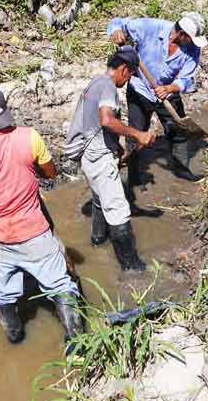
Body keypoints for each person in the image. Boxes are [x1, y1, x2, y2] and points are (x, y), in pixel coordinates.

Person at [0, 83, 82, 347]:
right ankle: (78, 344)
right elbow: (50, 172)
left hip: (0, 238)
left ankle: (14, 338)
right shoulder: (30, 137)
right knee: (60, 284)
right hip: (35, 232)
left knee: (4, 294)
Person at [64, 47, 155, 270]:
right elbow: (106, 120)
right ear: (124, 69)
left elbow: (96, 125)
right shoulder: (107, 86)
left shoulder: (95, 83)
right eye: (131, 74)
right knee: (117, 209)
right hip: (98, 156)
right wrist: (138, 134)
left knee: (99, 199)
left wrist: (118, 149)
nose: (129, 80)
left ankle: (98, 239)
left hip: (89, 153)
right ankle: (131, 267)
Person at [107, 11, 207, 185]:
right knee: (135, 134)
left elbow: (185, 79)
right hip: (140, 91)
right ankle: (134, 177)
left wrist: (170, 88)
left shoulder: (193, 50)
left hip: (168, 95)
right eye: (190, 38)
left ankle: (181, 169)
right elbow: (118, 22)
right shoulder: (152, 28)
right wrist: (116, 30)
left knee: (179, 132)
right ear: (182, 34)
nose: (192, 43)